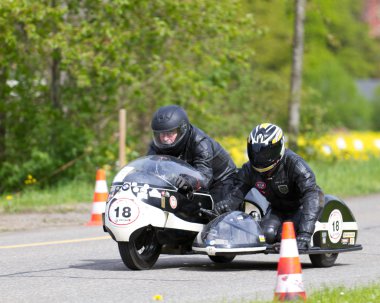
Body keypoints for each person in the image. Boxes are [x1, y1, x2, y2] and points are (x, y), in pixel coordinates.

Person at [216, 123, 324, 250]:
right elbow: (236, 193)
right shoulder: (249, 169)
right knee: (265, 235)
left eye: (266, 152)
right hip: (278, 209)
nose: (260, 157)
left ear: (279, 147)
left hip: (302, 207)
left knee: (283, 236)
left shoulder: (295, 164)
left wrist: (305, 234)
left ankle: (300, 233)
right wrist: (226, 206)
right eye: (256, 151)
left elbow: (311, 194)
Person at [147, 105, 237, 205]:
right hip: (187, 180)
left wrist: (189, 181)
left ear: (182, 129)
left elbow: (205, 176)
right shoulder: (157, 144)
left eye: (170, 133)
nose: (165, 139)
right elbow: (148, 168)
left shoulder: (200, 143)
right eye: (162, 134)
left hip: (221, 180)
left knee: (211, 212)